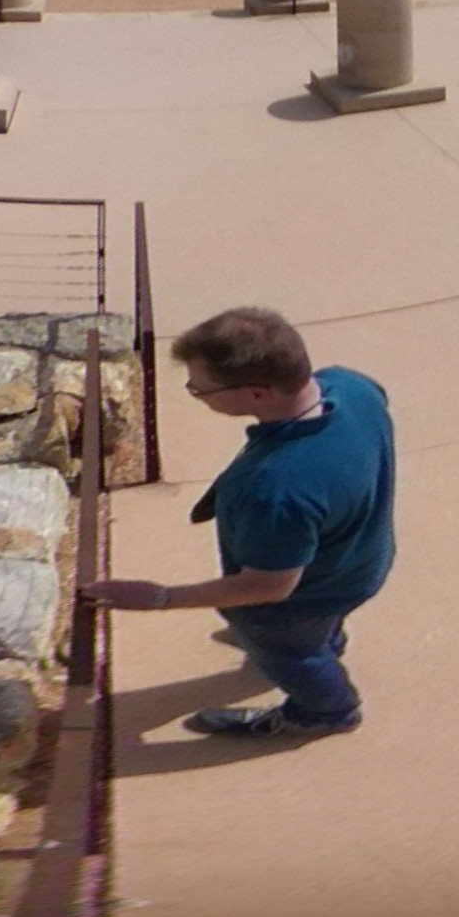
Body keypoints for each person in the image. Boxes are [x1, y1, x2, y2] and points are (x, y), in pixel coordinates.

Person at [81, 307, 393, 742]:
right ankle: (325, 641)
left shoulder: (275, 489)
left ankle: (325, 712)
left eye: (199, 388)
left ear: (257, 393)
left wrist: (160, 598)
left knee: (288, 648)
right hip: (362, 560)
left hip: (298, 601)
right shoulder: (352, 386)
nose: (194, 392)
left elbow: (268, 587)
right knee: (319, 627)